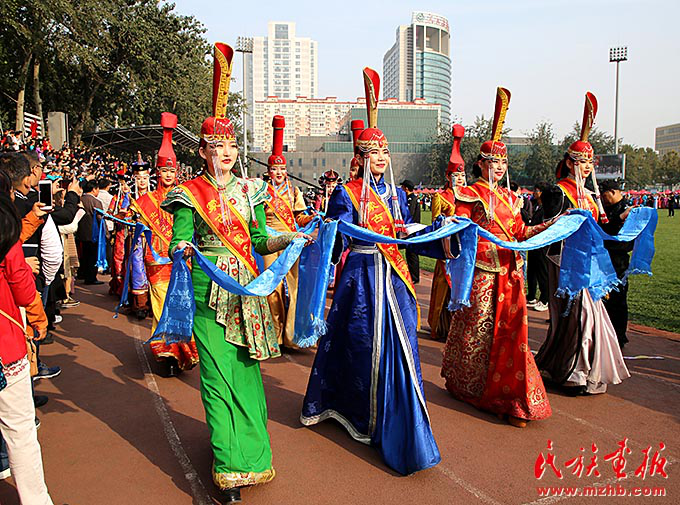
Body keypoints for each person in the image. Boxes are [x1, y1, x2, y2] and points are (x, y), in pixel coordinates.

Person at [162, 43, 309, 503]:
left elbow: (260, 239)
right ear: (203, 150)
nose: (226, 152)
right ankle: (227, 465)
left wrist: (290, 239)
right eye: (217, 146)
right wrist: (181, 248)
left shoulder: (251, 191)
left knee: (246, 376)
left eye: (231, 145)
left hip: (247, 291)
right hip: (208, 292)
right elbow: (178, 239)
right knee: (215, 377)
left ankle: (253, 456)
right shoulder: (188, 193)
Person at [302, 68, 448, 475]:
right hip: (362, 278)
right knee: (359, 345)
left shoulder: (397, 193)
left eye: (385, 151)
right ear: (361, 157)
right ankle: (356, 410)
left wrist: (436, 231)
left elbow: (403, 229)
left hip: (394, 277)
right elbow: (338, 235)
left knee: (402, 346)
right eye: (374, 152)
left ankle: (402, 421)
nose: (381, 158)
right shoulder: (346, 193)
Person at [442, 87, 553, 428]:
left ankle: (510, 395)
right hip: (481, 273)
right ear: (481, 163)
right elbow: (456, 229)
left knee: (511, 336)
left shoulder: (511, 198)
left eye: (504, 162)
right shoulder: (470, 193)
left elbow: (520, 233)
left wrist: (551, 225)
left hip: (511, 273)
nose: (500, 167)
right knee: (476, 331)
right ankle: (468, 385)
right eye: (494, 162)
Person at [535, 92, 629, 395]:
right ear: (568, 162)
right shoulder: (558, 192)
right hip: (564, 262)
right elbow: (550, 227)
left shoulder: (590, 196)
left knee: (590, 314)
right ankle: (571, 371)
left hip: (590, 263)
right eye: (580, 161)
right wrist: (569, 220)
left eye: (590, 161)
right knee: (574, 315)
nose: (586, 166)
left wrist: (623, 221)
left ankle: (582, 371)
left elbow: (601, 230)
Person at [130, 112, 199, 376]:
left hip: (181, 260)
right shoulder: (145, 201)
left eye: (172, 171)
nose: (168, 175)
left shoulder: (184, 197)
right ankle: (166, 352)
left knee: (181, 304)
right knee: (160, 304)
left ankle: (182, 349)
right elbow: (136, 230)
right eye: (164, 171)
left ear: (176, 172)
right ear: (158, 172)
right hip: (156, 260)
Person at [0, 189, 54, 504]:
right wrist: (38, 319)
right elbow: (22, 288)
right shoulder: (5, 235)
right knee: (20, 431)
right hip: (5, 345)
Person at [262, 116, 314, 349]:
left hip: (291, 242)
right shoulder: (262, 191)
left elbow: (299, 217)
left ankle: (291, 336)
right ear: (269, 171)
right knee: (272, 288)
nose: (279, 172)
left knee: (293, 287)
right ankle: (273, 334)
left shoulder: (293, 192)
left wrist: (312, 218)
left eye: (282, 169)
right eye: (275, 169)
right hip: (270, 242)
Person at [428, 124, 466, 340]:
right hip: (446, 250)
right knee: (445, 288)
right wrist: (446, 221)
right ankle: (441, 326)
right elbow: (435, 222)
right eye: (455, 175)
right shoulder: (440, 197)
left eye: (462, 176)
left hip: (463, 250)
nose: (459, 179)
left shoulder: (469, 197)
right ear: (448, 176)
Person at [599, 180, 634, 348]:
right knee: (603, 299)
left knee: (618, 299)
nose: (602, 199)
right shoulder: (604, 209)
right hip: (602, 259)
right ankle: (605, 333)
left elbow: (624, 239)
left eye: (604, 195)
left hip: (618, 261)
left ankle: (619, 336)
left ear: (612, 192)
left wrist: (618, 220)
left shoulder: (628, 210)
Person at [526, 182, 550, 312]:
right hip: (533, 243)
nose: (534, 193)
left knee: (543, 273)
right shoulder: (535, 205)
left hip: (542, 244)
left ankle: (545, 299)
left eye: (537, 190)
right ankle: (532, 296)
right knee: (532, 271)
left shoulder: (547, 208)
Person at [77, 180, 104, 285]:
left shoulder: (80, 199)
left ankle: (82, 273)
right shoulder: (96, 202)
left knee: (84, 254)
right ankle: (91, 277)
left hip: (81, 232)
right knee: (92, 256)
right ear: (94, 189)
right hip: (93, 233)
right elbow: (100, 219)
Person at [400, 179, 421, 284]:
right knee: (410, 254)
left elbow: (409, 214)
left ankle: (414, 277)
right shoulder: (413, 198)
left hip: (411, 229)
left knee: (412, 254)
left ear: (406, 188)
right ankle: (413, 276)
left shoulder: (411, 199)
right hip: (412, 229)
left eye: (402, 187)